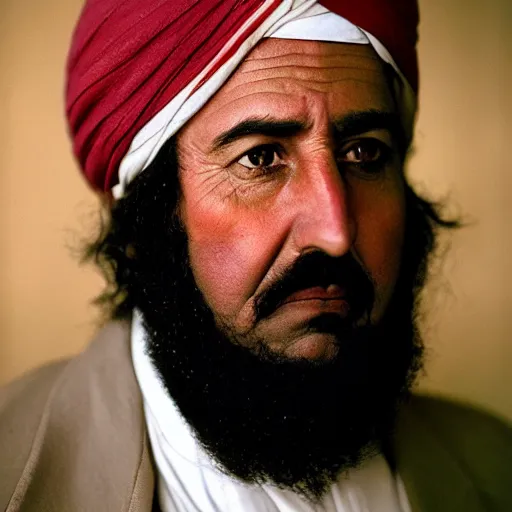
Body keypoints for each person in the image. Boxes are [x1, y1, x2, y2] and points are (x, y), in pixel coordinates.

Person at [1, 1, 511, 511]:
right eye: (260, 158)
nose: (335, 233)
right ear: (142, 216)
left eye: (365, 153)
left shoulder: (496, 464)